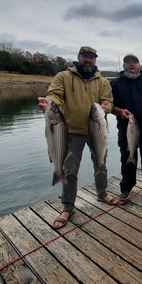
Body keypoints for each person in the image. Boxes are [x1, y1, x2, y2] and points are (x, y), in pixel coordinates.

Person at [38, 46, 116, 229]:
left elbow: (109, 101)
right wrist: (50, 103)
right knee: (70, 170)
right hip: (71, 131)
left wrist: (106, 107)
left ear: (95, 60)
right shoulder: (64, 77)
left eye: (91, 57)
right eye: (85, 56)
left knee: (101, 164)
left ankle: (102, 192)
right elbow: (55, 95)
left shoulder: (103, 81)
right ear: (79, 58)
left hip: (97, 129)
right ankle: (67, 206)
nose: (88, 60)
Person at [111, 54, 142, 200]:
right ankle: (126, 187)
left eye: (134, 62)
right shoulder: (116, 84)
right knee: (127, 156)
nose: (131, 65)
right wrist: (120, 111)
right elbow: (111, 105)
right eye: (128, 63)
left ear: (139, 65)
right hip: (127, 128)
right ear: (124, 65)